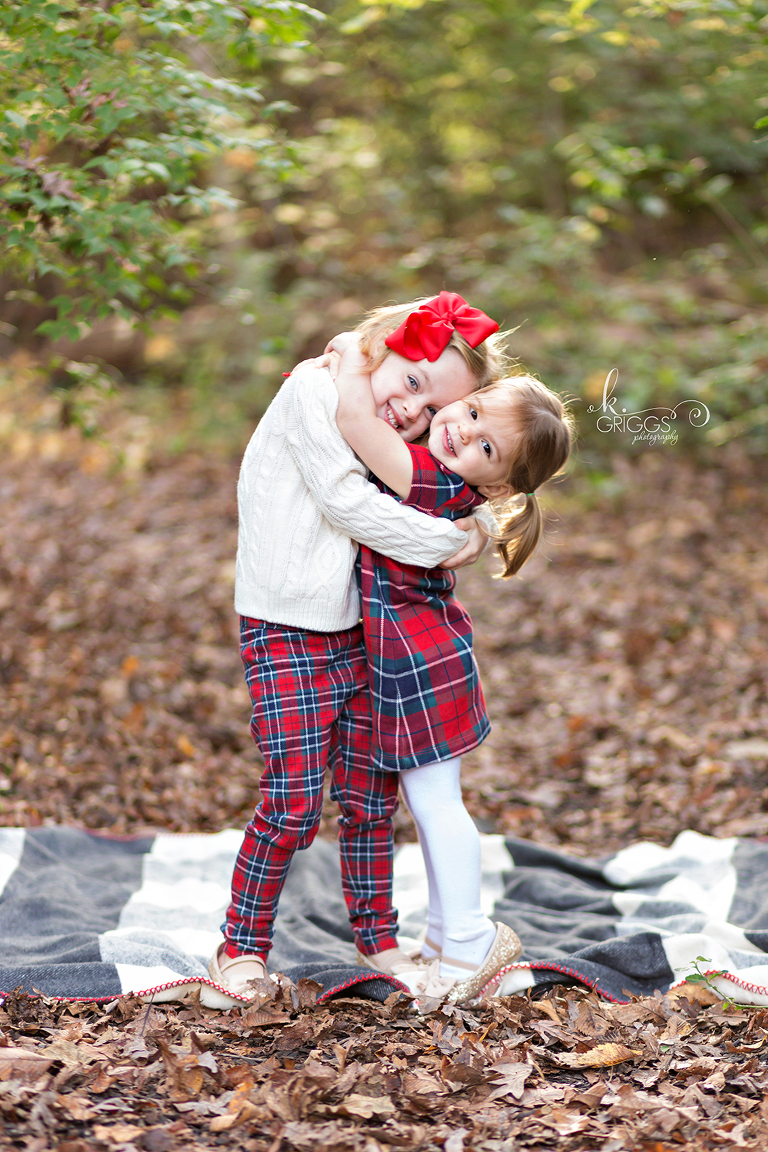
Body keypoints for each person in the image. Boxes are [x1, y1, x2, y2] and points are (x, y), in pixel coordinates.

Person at [203, 293, 508, 1008]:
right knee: (294, 798)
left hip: (363, 630)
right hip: (286, 627)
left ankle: (378, 938)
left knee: (371, 797)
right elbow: (349, 504)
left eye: (434, 410)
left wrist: (481, 526)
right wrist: (452, 546)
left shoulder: (372, 414)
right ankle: (240, 946)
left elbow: (447, 488)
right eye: (412, 384)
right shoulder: (318, 387)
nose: (415, 413)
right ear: (380, 348)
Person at [328, 323, 574, 1004]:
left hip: (420, 664)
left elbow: (353, 417)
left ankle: (467, 937)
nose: (463, 432)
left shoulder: (431, 481)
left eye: (487, 444)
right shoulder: (444, 479)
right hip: (420, 658)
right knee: (430, 800)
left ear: (497, 488)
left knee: (436, 803)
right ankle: (445, 935)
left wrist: (351, 352)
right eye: (469, 412)